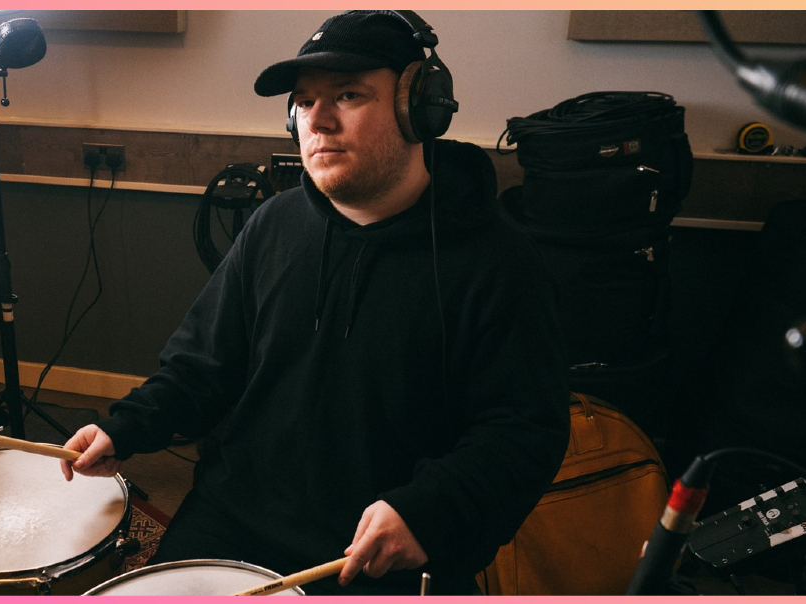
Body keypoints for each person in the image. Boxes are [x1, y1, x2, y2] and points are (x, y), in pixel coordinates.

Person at [61, 11, 569, 595]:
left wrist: (432, 512)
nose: (318, 121)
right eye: (303, 103)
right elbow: (201, 366)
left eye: (349, 95)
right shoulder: (273, 225)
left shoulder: (500, 261)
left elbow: (523, 431)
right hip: (233, 515)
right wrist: (126, 427)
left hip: (376, 544)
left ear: (418, 108)